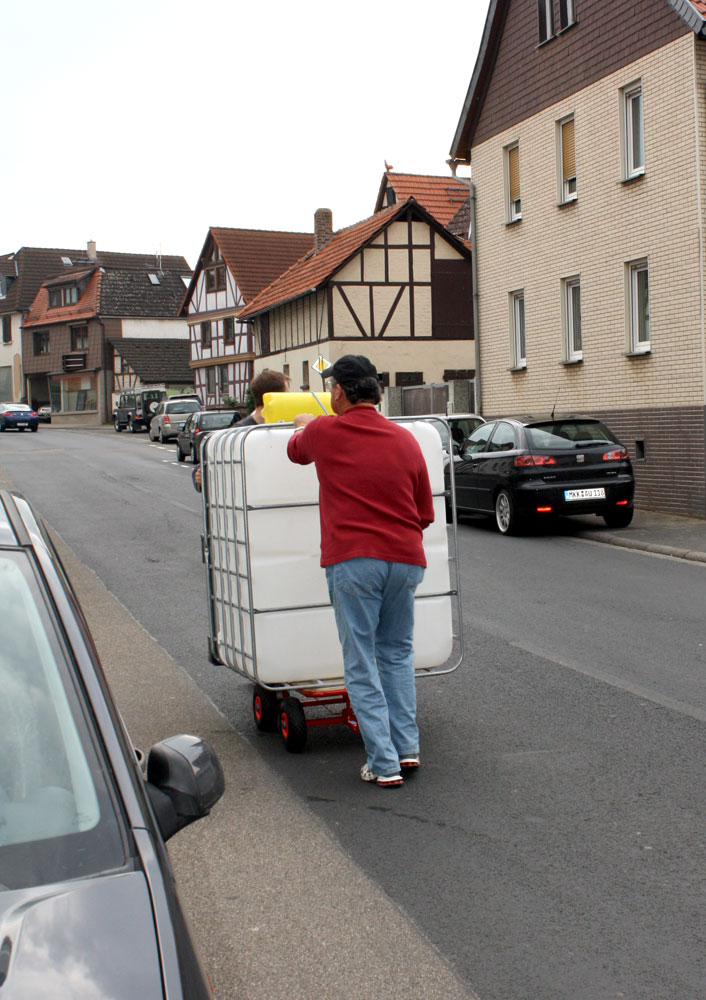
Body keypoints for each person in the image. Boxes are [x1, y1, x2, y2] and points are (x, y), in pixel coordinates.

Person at [287, 355, 434, 788]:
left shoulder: (325, 431)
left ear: (338, 392)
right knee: (396, 654)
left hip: (354, 561)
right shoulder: (406, 440)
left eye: (331, 388)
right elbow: (424, 512)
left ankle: (383, 764)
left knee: (360, 662)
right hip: (406, 560)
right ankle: (407, 750)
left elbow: (295, 451)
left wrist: (301, 421)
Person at [193, 369, 291, 492]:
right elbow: (206, 467)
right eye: (287, 394)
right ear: (273, 397)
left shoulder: (288, 427)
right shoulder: (239, 433)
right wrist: (202, 476)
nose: (290, 398)